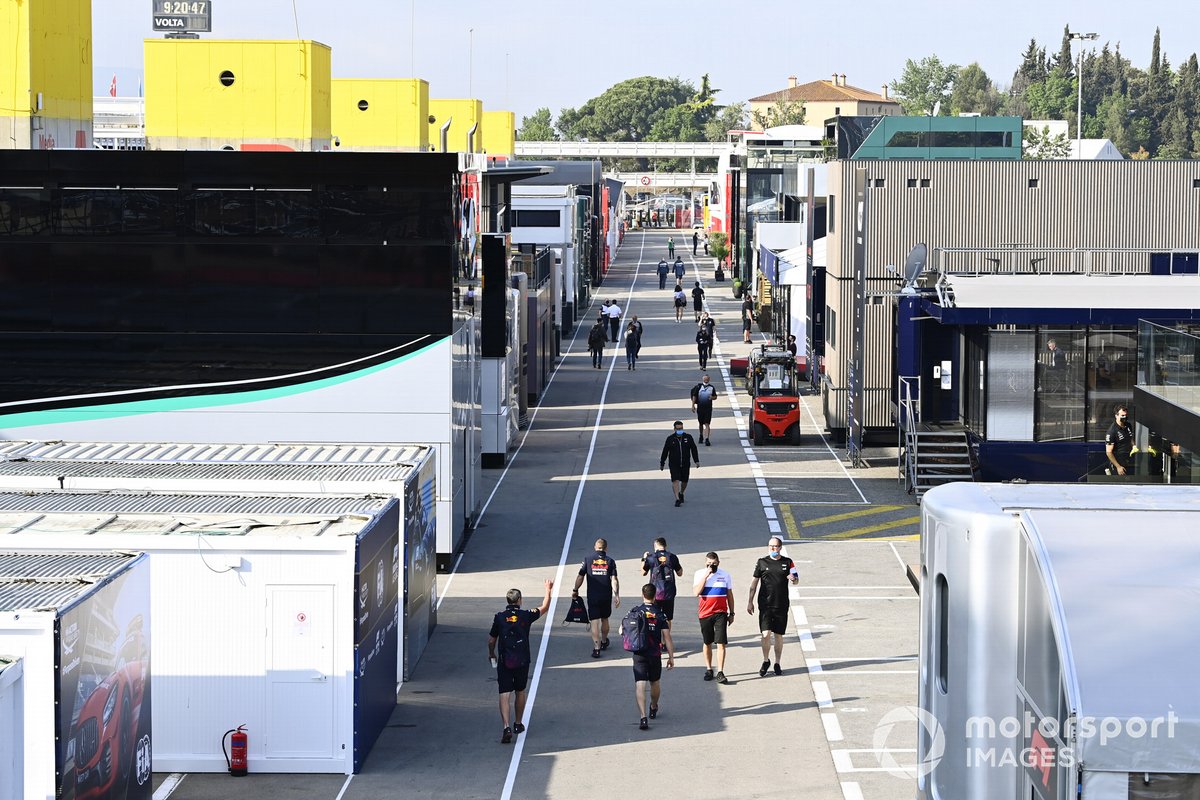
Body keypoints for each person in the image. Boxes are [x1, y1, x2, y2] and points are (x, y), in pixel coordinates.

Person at [488, 579, 553, 743]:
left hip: (505, 660)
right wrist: (548, 589)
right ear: (520, 600)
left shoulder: (500, 617)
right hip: (522, 660)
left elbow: (491, 641)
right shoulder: (526, 615)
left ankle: (506, 726)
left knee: (504, 693)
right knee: (520, 691)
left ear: (507, 601)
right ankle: (517, 723)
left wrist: (492, 654)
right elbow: (544, 606)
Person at [747, 537, 799, 677]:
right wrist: (750, 601)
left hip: (781, 605)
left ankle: (777, 663)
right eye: (770, 546)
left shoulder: (788, 562)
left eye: (775, 546)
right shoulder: (762, 562)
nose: (773, 549)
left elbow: (796, 579)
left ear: (780, 548)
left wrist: (793, 579)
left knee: (778, 635)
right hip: (765, 605)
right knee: (765, 634)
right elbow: (754, 584)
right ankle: (765, 661)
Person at [628, 583, 675, 731]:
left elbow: (622, 629)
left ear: (643, 595)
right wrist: (671, 656)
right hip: (654, 654)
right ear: (655, 596)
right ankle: (653, 706)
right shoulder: (660, 613)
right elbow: (667, 637)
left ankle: (643, 717)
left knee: (640, 685)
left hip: (639, 653)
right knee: (655, 683)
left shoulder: (635, 611)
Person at [572, 538, 620, 658]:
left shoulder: (588, 560)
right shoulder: (610, 561)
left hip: (593, 596)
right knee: (605, 619)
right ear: (606, 548)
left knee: (594, 621)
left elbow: (580, 577)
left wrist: (575, 590)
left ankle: (596, 648)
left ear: (595, 547)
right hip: (606, 595)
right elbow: (614, 579)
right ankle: (604, 641)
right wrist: (616, 594)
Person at [693, 551, 734, 684]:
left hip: (720, 613)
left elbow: (729, 595)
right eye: (709, 564)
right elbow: (696, 592)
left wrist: (732, 613)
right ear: (705, 563)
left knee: (721, 642)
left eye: (714, 564)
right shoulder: (699, 574)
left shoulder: (725, 575)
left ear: (718, 563)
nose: (711, 566)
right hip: (705, 613)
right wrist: (706, 576)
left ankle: (721, 672)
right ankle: (709, 668)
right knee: (707, 642)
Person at [641, 537, 684, 620]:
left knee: (654, 616)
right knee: (667, 618)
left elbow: (643, 572)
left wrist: (644, 559)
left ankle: (655, 632)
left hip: (654, 592)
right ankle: (667, 633)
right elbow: (680, 573)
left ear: (655, 546)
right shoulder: (672, 557)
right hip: (669, 592)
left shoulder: (651, 557)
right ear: (665, 545)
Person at [659, 420, 700, 507]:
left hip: (685, 463)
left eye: (681, 428)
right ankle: (677, 499)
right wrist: (662, 462)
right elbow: (665, 451)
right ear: (674, 429)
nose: (679, 430)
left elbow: (693, 449)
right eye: (677, 429)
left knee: (684, 481)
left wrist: (696, 460)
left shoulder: (688, 437)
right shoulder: (670, 439)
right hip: (674, 464)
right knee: (675, 480)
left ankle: (681, 493)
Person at [1106, 404, 1135, 476]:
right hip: (1118, 464)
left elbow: (1130, 438)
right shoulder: (1112, 431)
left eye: (1125, 415)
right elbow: (1109, 452)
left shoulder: (1128, 425)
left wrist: (1134, 445)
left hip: (1129, 461)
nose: (1124, 417)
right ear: (1116, 415)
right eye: (1122, 415)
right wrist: (1118, 467)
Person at [691, 374, 718, 445]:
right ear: (703, 379)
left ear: (709, 379)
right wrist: (693, 405)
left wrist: (712, 398)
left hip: (708, 408)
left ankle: (707, 439)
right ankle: (701, 435)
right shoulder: (698, 387)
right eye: (705, 379)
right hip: (700, 408)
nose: (706, 380)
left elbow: (715, 396)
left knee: (707, 423)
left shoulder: (711, 387)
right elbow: (694, 396)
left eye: (707, 379)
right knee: (700, 423)